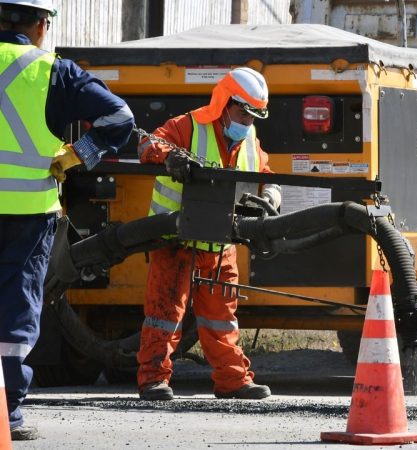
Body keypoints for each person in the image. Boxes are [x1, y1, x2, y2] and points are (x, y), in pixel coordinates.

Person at [0, 0, 134, 441]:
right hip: (26, 215)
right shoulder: (52, 71)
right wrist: (80, 154)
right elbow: (120, 118)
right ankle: (6, 414)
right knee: (16, 309)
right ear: (42, 25)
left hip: (26, 215)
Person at [136, 67, 280, 401]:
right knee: (165, 314)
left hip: (219, 242)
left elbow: (267, 176)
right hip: (174, 240)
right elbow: (147, 144)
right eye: (243, 112)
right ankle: (153, 379)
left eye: (253, 114)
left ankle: (233, 381)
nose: (247, 120)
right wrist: (170, 157)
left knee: (221, 318)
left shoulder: (249, 141)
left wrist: (270, 197)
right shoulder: (187, 126)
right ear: (225, 103)